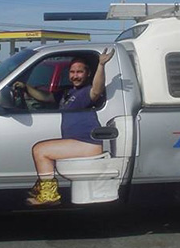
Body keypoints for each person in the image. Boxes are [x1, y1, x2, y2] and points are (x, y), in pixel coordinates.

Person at [13, 48, 115, 206]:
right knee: (42, 150)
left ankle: (49, 195)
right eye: (72, 72)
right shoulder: (68, 92)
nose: (75, 75)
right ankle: (45, 191)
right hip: (78, 142)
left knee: (40, 150)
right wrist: (27, 87)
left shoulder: (86, 92)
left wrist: (101, 66)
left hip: (88, 143)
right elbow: (46, 97)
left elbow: (97, 90)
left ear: (88, 74)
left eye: (80, 72)